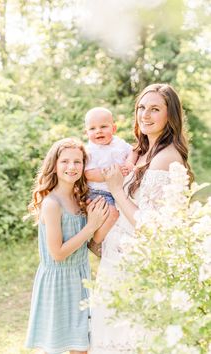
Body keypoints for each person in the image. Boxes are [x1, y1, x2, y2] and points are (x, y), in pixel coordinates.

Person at [89, 84, 194, 353]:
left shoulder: (167, 159)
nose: (145, 115)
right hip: (116, 260)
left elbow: (151, 226)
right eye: (141, 108)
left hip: (137, 268)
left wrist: (115, 188)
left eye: (155, 109)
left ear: (170, 116)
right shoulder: (139, 151)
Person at [25, 138, 109, 354]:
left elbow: (86, 243)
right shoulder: (52, 204)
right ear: (54, 164)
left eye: (78, 162)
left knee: (82, 347)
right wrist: (91, 226)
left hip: (80, 277)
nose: (72, 167)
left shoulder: (79, 197)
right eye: (65, 161)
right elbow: (58, 253)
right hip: (58, 282)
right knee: (56, 346)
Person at [84, 107, 137, 256]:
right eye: (92, 128)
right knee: (113, 214)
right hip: (98, 192)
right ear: (86, 133)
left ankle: (115, 244)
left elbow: (133, 151)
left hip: (116, 190)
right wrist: (112, 173)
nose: (98, 131)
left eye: (103, 127)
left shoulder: (119, 143)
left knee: (125, 216)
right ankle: (95, 243)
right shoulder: (89, 151)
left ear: (113, 128)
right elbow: (88, 174)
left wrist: (128, 163)